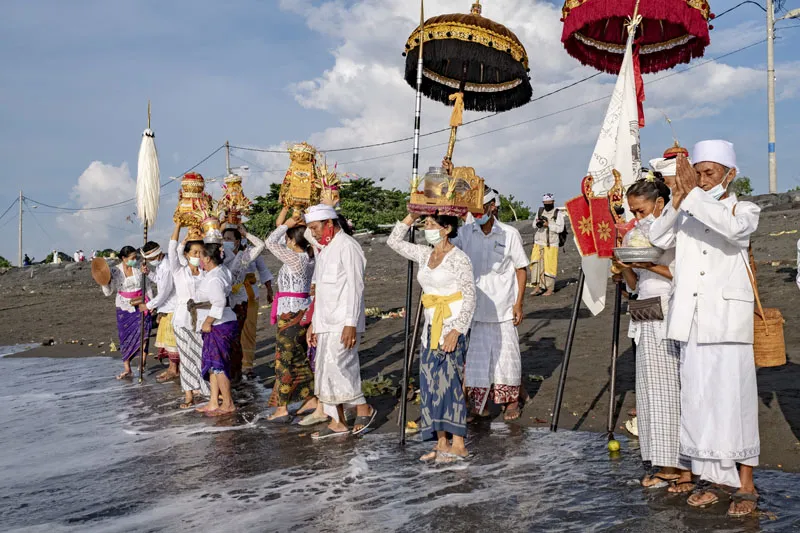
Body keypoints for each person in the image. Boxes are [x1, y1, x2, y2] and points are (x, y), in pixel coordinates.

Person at [650, 140, 761, 517]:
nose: (701, 179)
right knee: (699, 404)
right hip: (692, 321)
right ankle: (714, 479)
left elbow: (731, 230)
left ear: (730, 174)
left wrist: (693, 196)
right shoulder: (688, 205)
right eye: (697, 172)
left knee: (735, 403)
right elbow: (656, 239)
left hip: (728, 323)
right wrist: (676, 198)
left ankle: (746, 484)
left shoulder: (744, 208)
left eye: (709, 172)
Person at [613, 172, 692, 491]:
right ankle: (662, 460)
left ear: (660, 204)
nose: (636, 217)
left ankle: (679, 465)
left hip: (668, 309)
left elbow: (681, 274)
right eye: (632, 212)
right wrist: (627, 269)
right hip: (644, 308)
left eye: (641, 211)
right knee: (649, 390)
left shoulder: (675, 229)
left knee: (670, 391)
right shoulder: (634, 235)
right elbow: (635, 285)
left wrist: (647, 266)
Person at [388, 209, 476, 461]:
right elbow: (393, 241)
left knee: (450, 382)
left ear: (446, 229)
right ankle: (440, 442)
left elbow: (470, 296)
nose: (426, 228)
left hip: (452, 324)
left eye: (430, 224)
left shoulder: (459, 258)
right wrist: (410, 217)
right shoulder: (426, 254)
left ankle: (458, 443)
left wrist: (457, 330)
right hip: (430, 327)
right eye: (425, 223)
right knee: (429, 384)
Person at [452, 189, 529, 422]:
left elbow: (521, 269)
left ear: (493, 206)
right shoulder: (465, 233)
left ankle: (511, 402)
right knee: (477, 359)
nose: (478, 215)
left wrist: (518, 304)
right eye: (473, 211)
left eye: (481, 209)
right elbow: (446, 250)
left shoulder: (509, 234)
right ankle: (479, 405)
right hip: (475, 310)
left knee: (507, 357)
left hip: (504, 307)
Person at [304, 204, 376, 439]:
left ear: (329, 224)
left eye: (315, 227)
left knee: (341, 368)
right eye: (310, 228)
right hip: (325, 321)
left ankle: (364, 407)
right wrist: (314, 323)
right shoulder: (325, 250)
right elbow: (321, 293)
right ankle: (338, 422)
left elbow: (357, 287)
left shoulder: (348, 246)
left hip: (343, 321)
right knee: (325, 371)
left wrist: (351, 323)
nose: (312, 232)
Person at [264, 206, 318, 422]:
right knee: (297, 358)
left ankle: (282, 408)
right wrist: (288, 216)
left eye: (288, 238)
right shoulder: (308, 257)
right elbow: (276, 236)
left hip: (292, 312)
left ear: (293, 241)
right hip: (299, 309)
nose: (285, 241)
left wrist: (287, 224)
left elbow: (270, 242)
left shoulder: (297, 259)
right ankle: (310, 398)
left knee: (284, 361)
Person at [194, 241, 240, 416]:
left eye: (200, 255)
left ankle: (227, 403)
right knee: (213, 364)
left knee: (219, 365)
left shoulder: (215, 277)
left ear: (207, 258)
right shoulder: (219, 271)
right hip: (220, 322)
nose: (199, 259)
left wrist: (208, 321)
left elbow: (219, 301)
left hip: (219, 324)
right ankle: (214, 401)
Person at [168, 222, 210, 408]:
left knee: (203, 355)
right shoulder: (179, 271)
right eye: (194, 253)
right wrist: (178, 226)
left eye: (201, 253)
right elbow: (172, 250)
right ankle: (188, 395)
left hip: (203, 319)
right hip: (182, 320)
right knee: (186, 358)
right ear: (186, 254)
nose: (198, 256)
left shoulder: (206, 272)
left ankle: (208, 390)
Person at [221, 225, 266, 383]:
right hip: (224, 302)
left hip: (240, 300)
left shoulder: (244, 255)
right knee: (228, 337)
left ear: (237, 241)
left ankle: (240, 369)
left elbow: (260, 245)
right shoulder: (220, 255)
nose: (225, 242)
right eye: (224, 239)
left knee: (239, 334)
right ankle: (229, 370)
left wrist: (246, 233)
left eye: (229, 239)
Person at [101, 245, 153, 380]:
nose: (135, 260)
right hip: (124, 307)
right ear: (123, 258)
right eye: (132, 258)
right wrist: (105, 281)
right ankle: (127, 369)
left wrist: (151, 303)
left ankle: (142, 364)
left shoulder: (138, 269)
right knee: (125, 337)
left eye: (136, 257)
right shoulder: (115, 271)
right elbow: (108, 292)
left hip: (141, 303)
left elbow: (147, 287)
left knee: (144, 335)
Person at [138, 241, 179, 384]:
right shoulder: (161, 264)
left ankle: (174, 370)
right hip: (166, 307)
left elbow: (164, 292)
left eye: (149, 259)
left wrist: (148, 305)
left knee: (172, 341)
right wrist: (149, 273)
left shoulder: (167, 266)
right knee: (169, 341)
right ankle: (174, 368)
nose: (149, 262)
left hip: (173, 307)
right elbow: (159, 281)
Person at [241, 239, 274, 381]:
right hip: (232, 294)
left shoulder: (251, 250)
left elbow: (263, 270)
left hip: (251, 294)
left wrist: (269, 289)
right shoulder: (223, 251)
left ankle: (248, 365)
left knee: (249, 329)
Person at [529, 193, 565, 296]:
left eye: (549, 202)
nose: (547, 204)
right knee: (536, 264)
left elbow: (560, 228)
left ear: (553, 202)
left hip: (551, 243)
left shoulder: (558, 213)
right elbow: (533, 225)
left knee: (550, 266)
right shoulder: (540, 211)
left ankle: (550, 288)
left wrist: (548, 225)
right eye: (545, 203)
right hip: (538, 242)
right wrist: (538, 223)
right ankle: (538, 287)